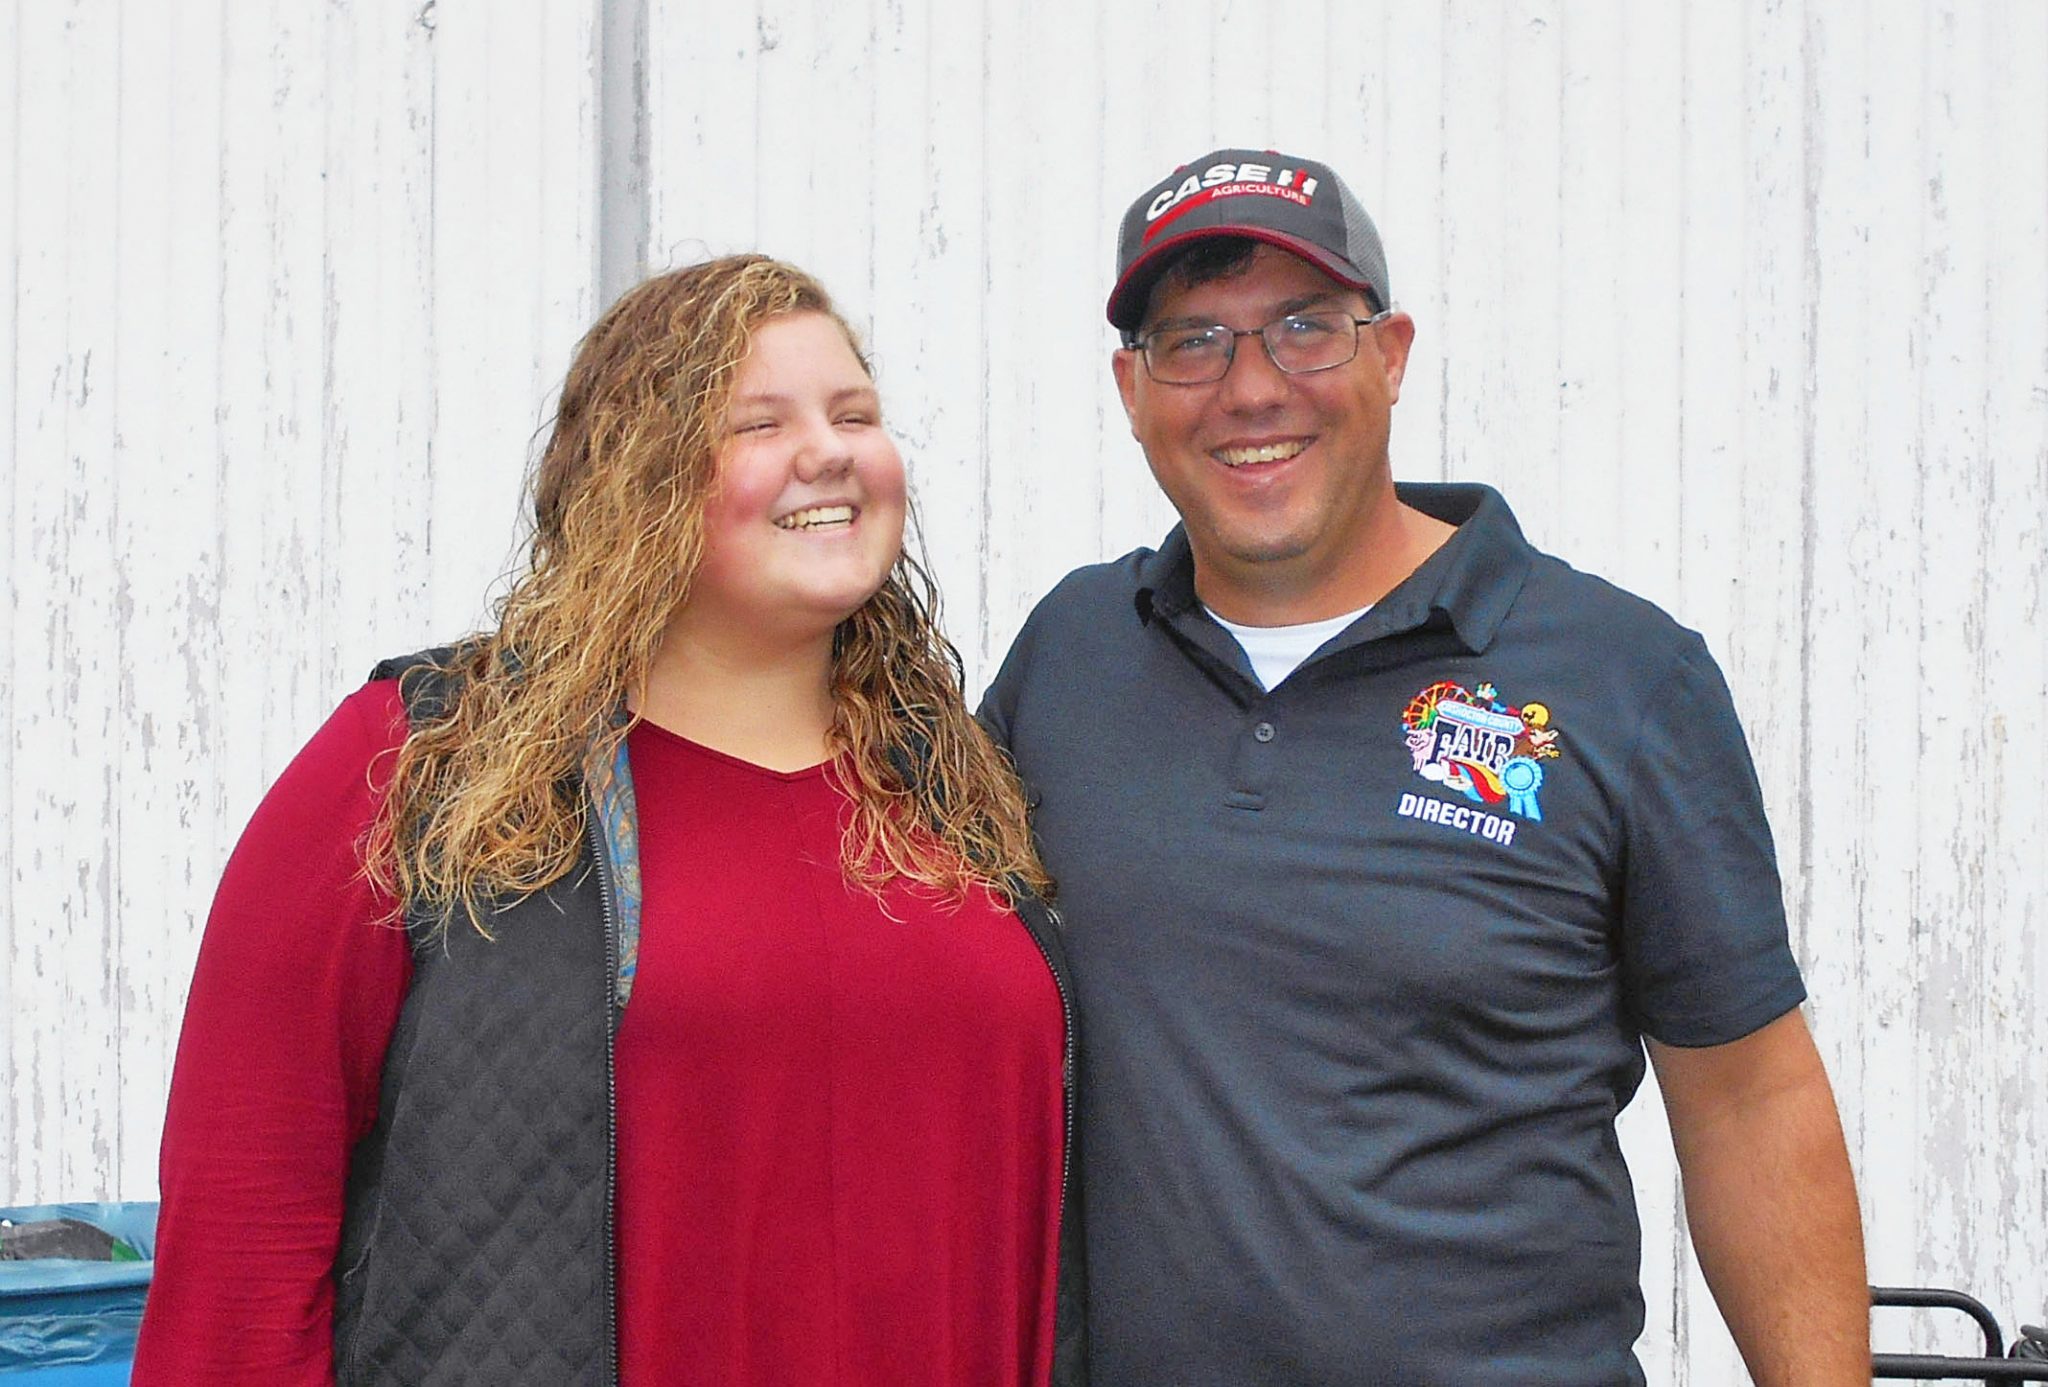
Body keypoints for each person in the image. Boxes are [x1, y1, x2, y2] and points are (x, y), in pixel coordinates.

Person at [980, 148, 1867, 1385]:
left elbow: (1747, 1102)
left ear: (1389, 354)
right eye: (1192, 342)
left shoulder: (1621, 678)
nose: (1249, 389)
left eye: (1303, 329)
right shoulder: (1069, 656)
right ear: (1130, 390)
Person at [135, 255, 1083, 1387]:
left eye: (854, 413)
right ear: (635, 477)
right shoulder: (422, 763)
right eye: (754, 422)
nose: (827, 450)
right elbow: (247, 1210)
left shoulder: (963, 796)